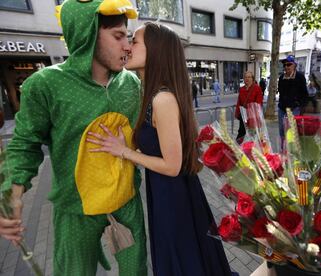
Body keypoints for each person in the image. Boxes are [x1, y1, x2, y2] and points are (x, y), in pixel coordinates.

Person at [0, 1, 147, 275]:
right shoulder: (46, 85)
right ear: (87, 33)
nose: (127, 45)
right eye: (118, 36)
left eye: (127, 37)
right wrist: (13, 197)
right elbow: (25, 144)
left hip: (127, 201)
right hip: (76, 210)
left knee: (136, 270)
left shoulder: (131, 84)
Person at [87, 22, 235, 276]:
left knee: (181, 258)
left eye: (135, 41)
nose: (128, 46)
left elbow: (172, 165)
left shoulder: (162, 99)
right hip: (167, 190)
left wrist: (124, 152)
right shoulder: (151, 93)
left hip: (173, 195)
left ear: (155, 51)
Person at [277, 55, 307, 145]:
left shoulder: (300, 77)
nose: (286, 67)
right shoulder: (282, 77)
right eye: (285, 65)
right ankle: (283, 150)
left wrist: (300, 106)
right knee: (282, 130)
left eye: (289, 64)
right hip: (282, 109)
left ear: (294, 65)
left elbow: (305, 94)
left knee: (292, 131)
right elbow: (280, 92)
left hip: (294, 109)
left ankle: (292, 152)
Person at [235, 71, 263, 143]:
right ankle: (237, 149)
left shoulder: (257, 88)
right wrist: (237, 113)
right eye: (245, 77)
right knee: (241, 132)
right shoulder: (242, 89)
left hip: (253, 115)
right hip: (243, 115)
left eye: (249, 77)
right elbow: (239, 102)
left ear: (252, 78)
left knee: (253, 134)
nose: (247, 79)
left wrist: (254, 114)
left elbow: (258, 103)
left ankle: (253, 149)